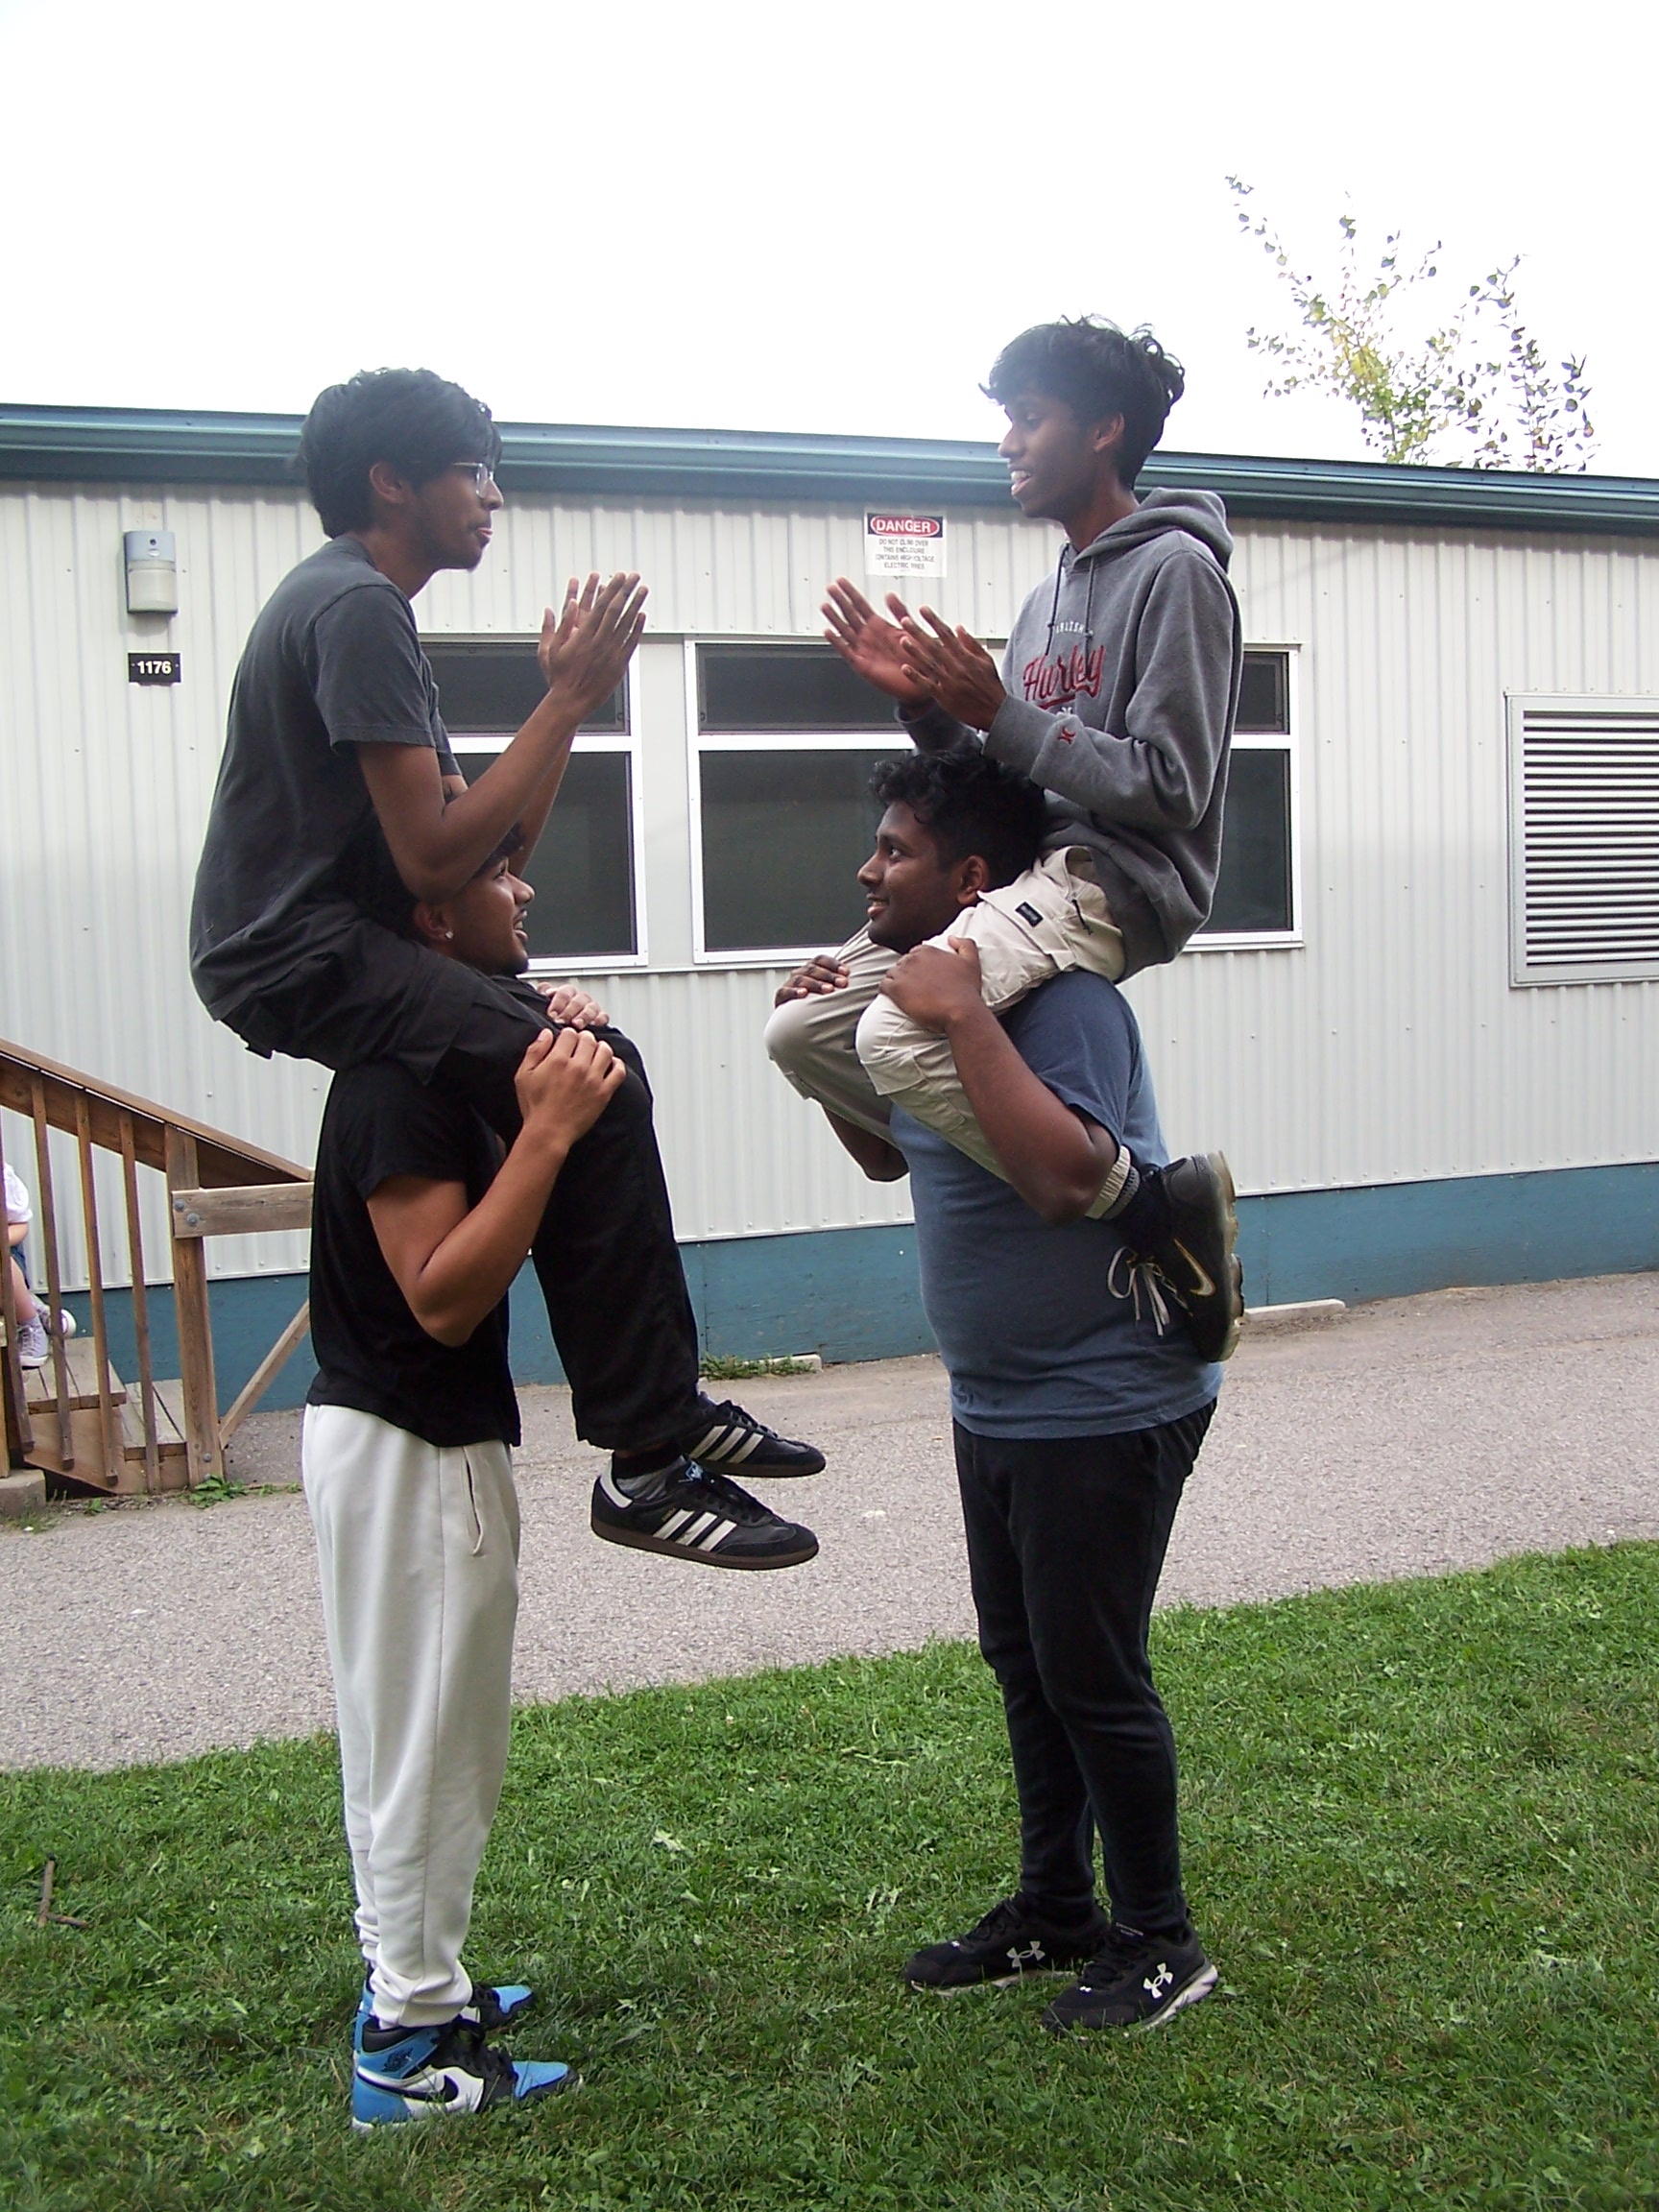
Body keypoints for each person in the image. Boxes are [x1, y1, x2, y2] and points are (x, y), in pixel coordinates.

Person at [189, 367, 821, 1567]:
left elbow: (485, 857)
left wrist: (569, 706)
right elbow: (435, 862)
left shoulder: (370, 612)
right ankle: (649, 1456)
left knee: (589, 1064)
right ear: (391, 482)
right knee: (599, 1080)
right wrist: (566, 696)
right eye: (473, 472)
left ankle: (658, 1421)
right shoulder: (354, 606)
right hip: (296, 951)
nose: (493, 497)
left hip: (345, 943)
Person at [783, 749, 1222, 2032]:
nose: (867, 871)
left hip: (1107, 1396)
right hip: (998, 1399)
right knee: (1026, 1662)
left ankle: (1160, 1939)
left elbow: (1067, 1177)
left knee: (1093, 1673)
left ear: (972, 879)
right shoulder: (905, 1017)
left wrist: (969, 1017)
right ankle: (1057, 1907)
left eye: (897, 851)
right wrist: (824, 1057)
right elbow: (890, 1159)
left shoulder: (1068, 1005)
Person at [765, 317, 1243, 1358]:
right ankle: (983, 1160)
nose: (1009, 443)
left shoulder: (1178, 573)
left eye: (1030, 418)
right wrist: (928, 711)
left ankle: (1149, 1206)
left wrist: (1003, 710)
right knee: (801, 1031)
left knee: (893, 1035)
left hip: (1115, 879)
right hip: (1032, 872)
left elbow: (1174, 785)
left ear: (1105, 429)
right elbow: (1017, 787)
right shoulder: (1044, 601)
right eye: (1007, 422)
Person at [4, 1162, 76, 1369]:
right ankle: (37, 1309)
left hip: (6, 1260)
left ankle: (31, 1324)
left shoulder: (3, 1178)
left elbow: (20, 1225)